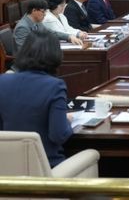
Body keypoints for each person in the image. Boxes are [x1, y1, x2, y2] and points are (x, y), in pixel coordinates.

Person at [0, 31, 74, 167]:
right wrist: (68, 121)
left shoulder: (2, 81)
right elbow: (59, 135)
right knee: (92, 154)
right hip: (47, 166)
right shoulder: (55, 86)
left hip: (8, 167)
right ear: (55, 54)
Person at [13, 0, 83, 53]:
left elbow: (50, 32)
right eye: (43, 12)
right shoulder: (22, 27)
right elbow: (24, 52)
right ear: (34, 11)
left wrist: (69, 37)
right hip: (27, 63)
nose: (45, 14)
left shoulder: (37, 22)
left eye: (45, 12)